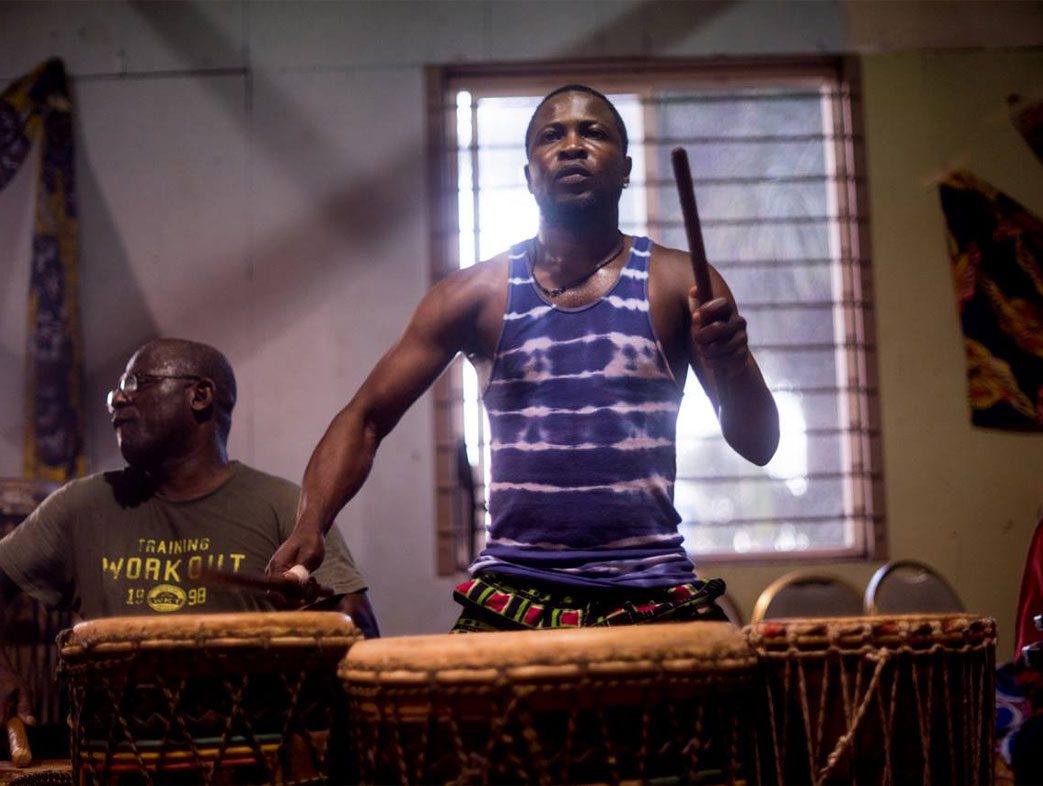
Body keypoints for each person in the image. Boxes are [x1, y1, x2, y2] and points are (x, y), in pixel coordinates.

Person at [269, 84, 779, 632]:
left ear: (626, 168)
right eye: (551, 135)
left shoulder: (679, 283)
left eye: (595, 132)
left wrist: (734, 361)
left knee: (746, 699)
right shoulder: (474, 296)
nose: (573, 145)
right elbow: (365, 418)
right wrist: (311, 522)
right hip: (513, 593)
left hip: (652, 587)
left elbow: (759, 445)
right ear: (529, 171)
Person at [0, 338, 379, 734]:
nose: (117, 399)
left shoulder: (287, 508)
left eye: (136, 383)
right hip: (118, 759)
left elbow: (359, 632)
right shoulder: (81, 505)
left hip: (254, 759)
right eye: (117, 388)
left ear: (200, 395)